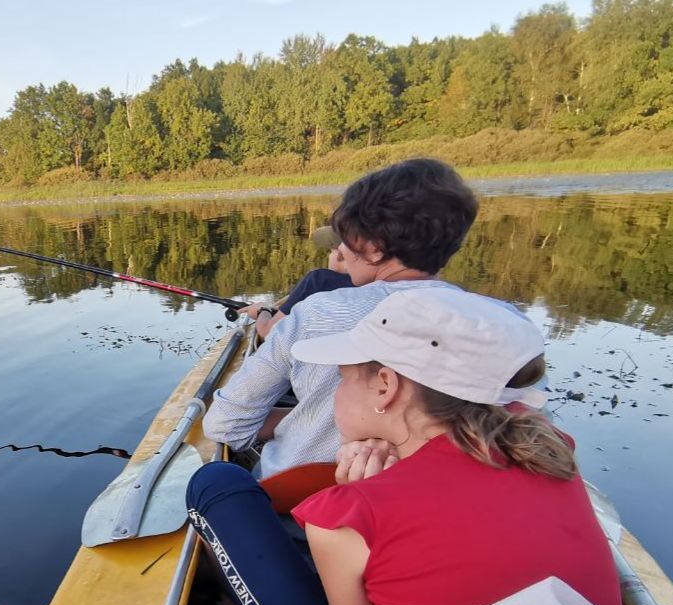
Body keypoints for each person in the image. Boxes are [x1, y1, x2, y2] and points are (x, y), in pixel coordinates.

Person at [186, 288, 618, 605]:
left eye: (343, 377)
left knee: (217, 481)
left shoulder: (348, 515)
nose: (338, 394)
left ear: (386, 386)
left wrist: (354, 506)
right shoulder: (551, 452)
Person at [204, 158, 480, 481]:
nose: (340, 250)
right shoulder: (495, 324)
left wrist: (300, 420)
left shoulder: (315, 313)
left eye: (346, 238)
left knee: (212, 482)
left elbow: (224, 424)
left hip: (294, 495)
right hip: (423, 500)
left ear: (374, 248)